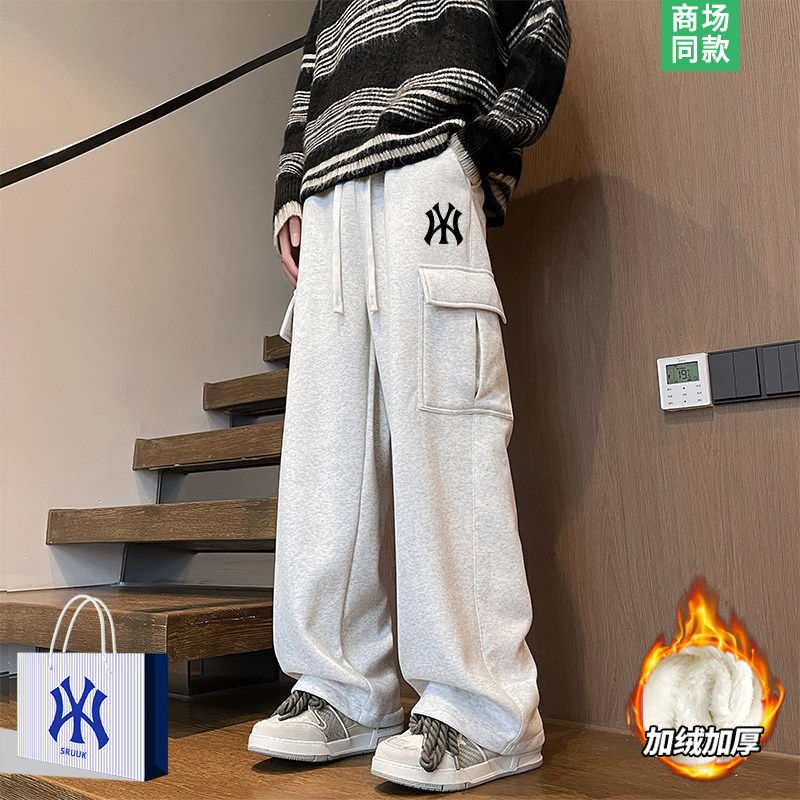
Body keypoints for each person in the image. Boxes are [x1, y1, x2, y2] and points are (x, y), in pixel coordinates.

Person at [248, 0, 570, 791]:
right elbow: (309, 83)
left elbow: (543, 27)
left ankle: (489, 709)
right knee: (325, 450)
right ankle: (342, 689)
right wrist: (291, 192)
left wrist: (476, 150)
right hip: (329, 196)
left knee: (447, 427)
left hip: (430, 169)